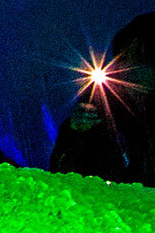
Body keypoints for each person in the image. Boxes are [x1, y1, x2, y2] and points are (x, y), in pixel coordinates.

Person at [50, 14, 155, 185]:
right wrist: (74, 131)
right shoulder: (98, 107)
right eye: (125, 57)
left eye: (141, 58)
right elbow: (62, 172)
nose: (131, 67)